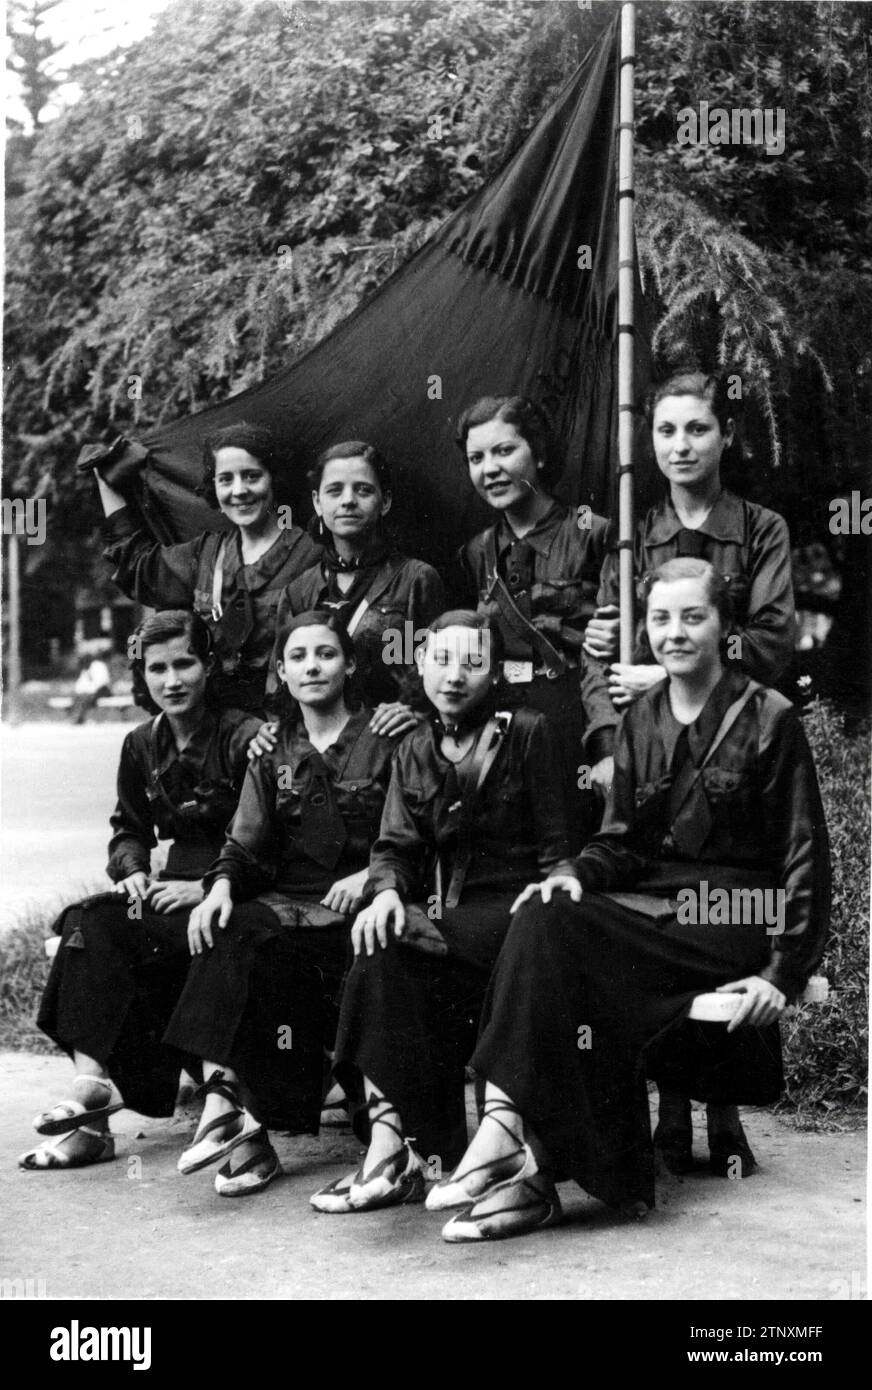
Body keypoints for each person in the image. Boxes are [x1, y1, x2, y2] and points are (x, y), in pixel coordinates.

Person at [427, 559, 829, 1243]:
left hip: (733, 914)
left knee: (568, 943)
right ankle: (536, 1165)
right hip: (658, 911)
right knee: (546, 912)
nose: (674, 633)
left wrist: (783, 971)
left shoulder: (770, 716)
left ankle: (521, 1148)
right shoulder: (640, 717)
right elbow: (618, 842)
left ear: (725, 624)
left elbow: (804, 856)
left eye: (692, 617)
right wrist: (577, 873)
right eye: (661, 619)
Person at [584, 369, 798, 1152]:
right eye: (666, 431)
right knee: (660, 914)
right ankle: (671, 1103)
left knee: (727, 903)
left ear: (724, 436)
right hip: (652, 753)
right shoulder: (632, 536)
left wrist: (676, 668)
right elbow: (599, 654)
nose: (681, 445)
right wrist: (610, 744)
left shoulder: (761, 529)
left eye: (697, 429)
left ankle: (725, 1107)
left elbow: (774, 640)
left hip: (739, 741)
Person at [308, 609, 573, 1216]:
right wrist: (385, 895)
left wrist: (557, 890)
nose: (455, 676)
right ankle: (391, 1143)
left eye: (472, 663)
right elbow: (394, 848)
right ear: (422, 666)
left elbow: (560, 850)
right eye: (442, 661)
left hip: (523, 916)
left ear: (495, 673)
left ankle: (451, 1147)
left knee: (404, 942)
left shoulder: (529, 732)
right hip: (450, 919)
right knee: (377, 941)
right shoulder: (415, 749)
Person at [162, 610, 395, 1197]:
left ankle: (248, 1119)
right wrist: (216, 888)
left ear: (351, 664)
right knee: (227, 928)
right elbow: (243, 841)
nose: (312, 666)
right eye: (298, 657)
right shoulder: (271, 751)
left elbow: (414, 833)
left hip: (363, 911)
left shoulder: (390, 737)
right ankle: (231, 1115)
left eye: (326, 653)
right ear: (282, 673)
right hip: (290, 906)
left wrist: (372, 876)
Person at [20, 612, 261, 1171]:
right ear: (142, 675)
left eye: (185, 663)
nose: (172, 680)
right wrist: (130, 868)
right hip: (169, 888)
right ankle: (91, 1100)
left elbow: (271, 835)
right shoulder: (140, 742)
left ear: (208, 666)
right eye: (158, 668)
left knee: (196, 935)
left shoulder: (245, 735)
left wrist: (208, 885)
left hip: (238, 886)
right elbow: (128, 827)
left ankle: (213, 1106)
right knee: (89, 922)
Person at [452, 395, 615, 847]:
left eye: (505, 451)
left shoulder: (595, 534)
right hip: (503, 720)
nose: (490, 469)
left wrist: (606, 745)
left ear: (539, 453)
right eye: (476, 458)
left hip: (574, 715)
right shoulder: (476, 552)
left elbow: (613, 648)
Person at [94, 422, 321, 711]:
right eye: (226, 479)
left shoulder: (311, 554)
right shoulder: (206, 554)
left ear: (273, 479)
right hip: (218, 733)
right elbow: (139, 566)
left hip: (285, 732)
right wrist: (105, 480)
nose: (239, 491)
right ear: (213, 487)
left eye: (252, 476)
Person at [259, 440, 444, 744]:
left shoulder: (415, 579)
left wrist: (417, 712)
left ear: (385, 501)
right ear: (318, 503)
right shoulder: (299, 591)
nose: (348, 501)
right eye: (335, 491)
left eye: (363, 490)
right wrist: (275, 732)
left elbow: (442, 668)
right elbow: (278, 686)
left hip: (394, 742)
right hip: (321, 748)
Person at [68, 649, 112, 724]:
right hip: (90, 691)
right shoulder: (86, 669)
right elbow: (80, 684)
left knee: (85, 698)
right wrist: (79, 691)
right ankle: (76, 717)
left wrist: (87, 691)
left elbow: (100, 682)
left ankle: (78, 718)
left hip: (103, 690)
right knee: (79, 697)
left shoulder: (98, 666)